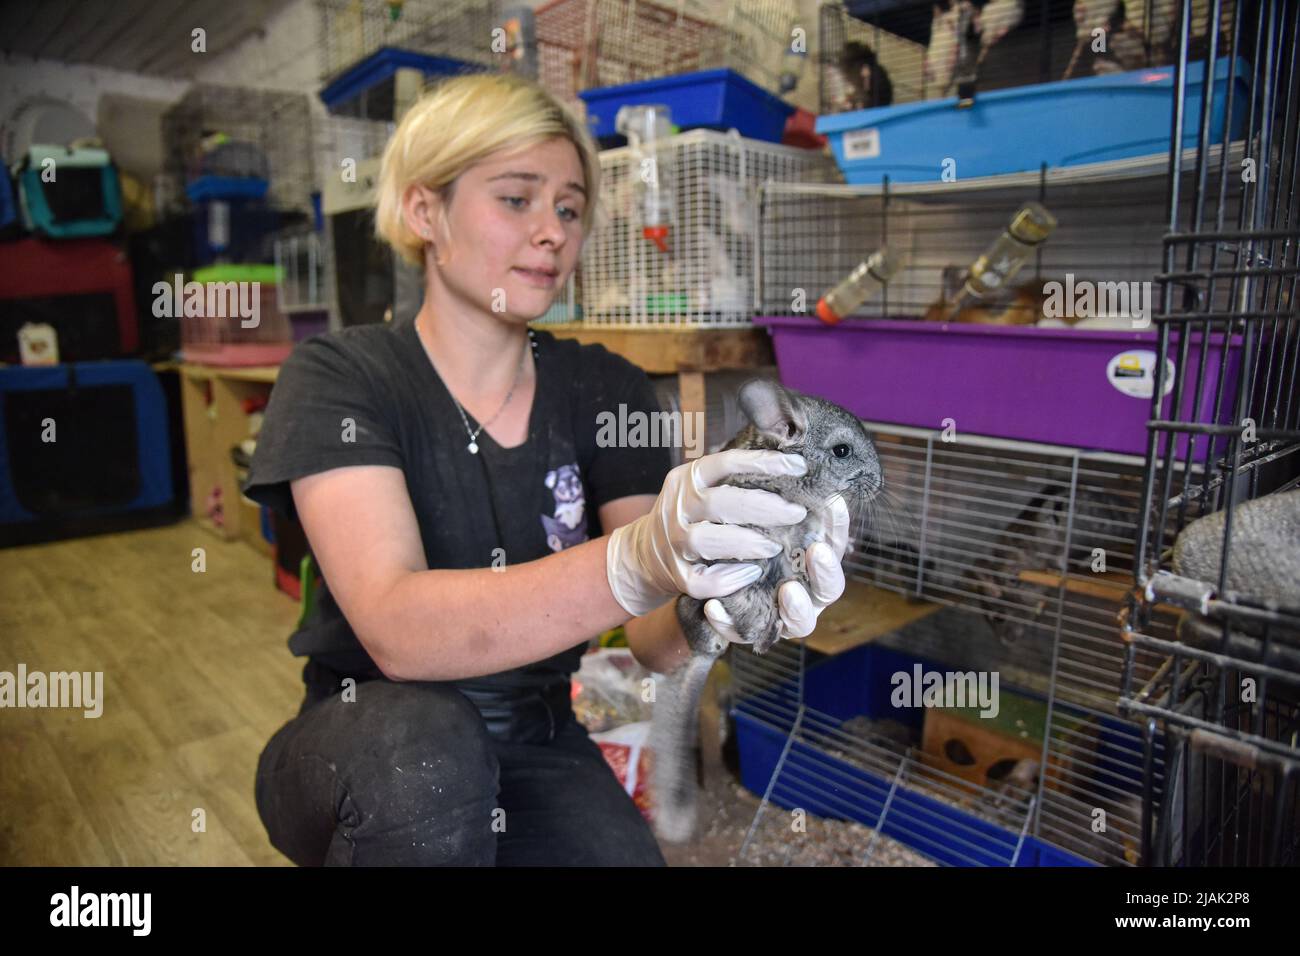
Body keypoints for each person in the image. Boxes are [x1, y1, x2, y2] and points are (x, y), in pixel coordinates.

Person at [244, 71, 850, 867]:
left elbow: (649, 635)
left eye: (569, 208)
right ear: (425, 210)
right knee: (421, 761)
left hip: (536, 732)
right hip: (364, 730)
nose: (553, 232)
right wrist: (635, 560)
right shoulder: (342, 375)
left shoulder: (605, 387)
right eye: (516, 198)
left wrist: (714, 604)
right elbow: (396, 630)